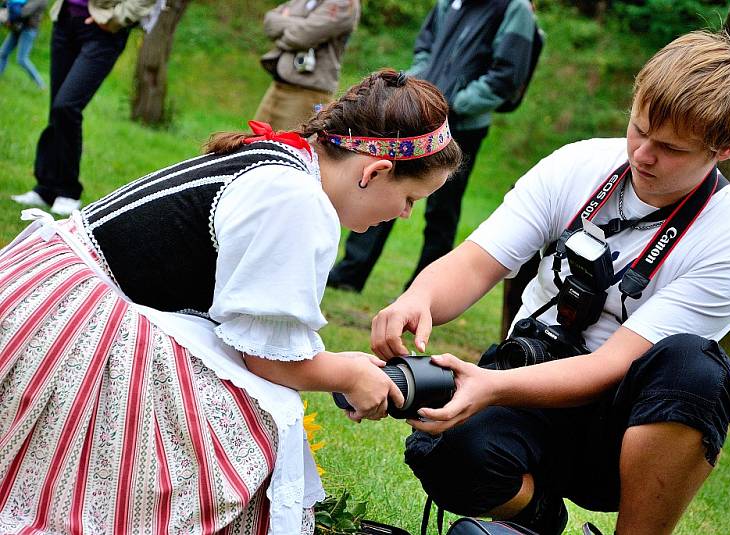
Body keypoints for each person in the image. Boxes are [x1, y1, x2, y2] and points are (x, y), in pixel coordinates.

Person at [0, 69, 461, 534]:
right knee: (236, 436)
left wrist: (341, 365)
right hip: (71, 328)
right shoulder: (296, 201)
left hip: (46, 289)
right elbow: (264, 359)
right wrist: (349, 376)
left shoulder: (284, 159)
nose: (404, 214)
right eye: (409, 198)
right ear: (375, 172)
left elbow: (254, 335)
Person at [370, 32, 730, 535]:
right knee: (447, 452)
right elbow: (477, 262)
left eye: (670, 148)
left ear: (725, 148)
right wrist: (418, 297)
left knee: (696, 369)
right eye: (639, 129)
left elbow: (609, 366)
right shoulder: (578, 164)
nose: (643, 155)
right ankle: (537, 520)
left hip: (628, 425)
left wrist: (489, 387)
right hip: (531, 383)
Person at [328, 0, 536, 293]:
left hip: (463, 125)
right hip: (420, 117)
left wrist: (458, 103)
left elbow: (508, 75)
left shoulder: (514, 9)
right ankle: (349, 274)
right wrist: (420, 93)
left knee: (442, 209)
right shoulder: (448, 2)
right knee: (386, 186)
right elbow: (425, 48)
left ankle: (422, 291)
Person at [10, 0, 158, 216]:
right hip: (65, 21)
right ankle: (46, 188)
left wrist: (115, 18)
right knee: (57, 110)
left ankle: (69, 191)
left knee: (66, 106)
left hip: (103, 31)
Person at [254, 0, 359, 131]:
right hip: (278, 86)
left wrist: (286, 23)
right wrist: (302, 25)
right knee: (254, 143)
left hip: (307, 93)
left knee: (290, 148)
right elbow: (270, 22)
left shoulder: (343, 4)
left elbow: (302, 36)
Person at [0, 0, 47, 89]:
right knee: (2, 53)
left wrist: (9, 14)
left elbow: (24, 12)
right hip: (17, 27)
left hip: (29, 30)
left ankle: (41, 85)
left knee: (22, 59)